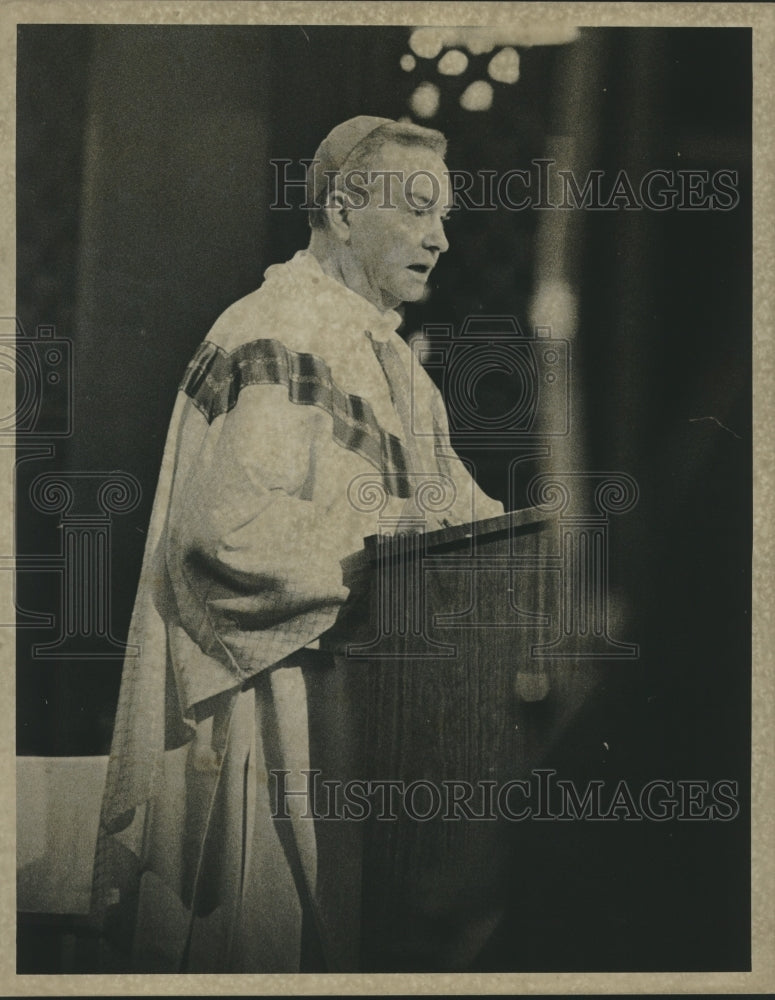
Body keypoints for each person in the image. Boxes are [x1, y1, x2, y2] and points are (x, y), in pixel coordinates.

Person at [91, 115, 504, 973]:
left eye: (447, 215)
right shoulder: (273, 329)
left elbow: (457, 518)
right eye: (419, 209)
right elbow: (222, 535)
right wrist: (384, 544)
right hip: (281, 707)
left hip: (373, 714)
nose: (441, 236)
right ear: (344, 212)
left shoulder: (395, 365)